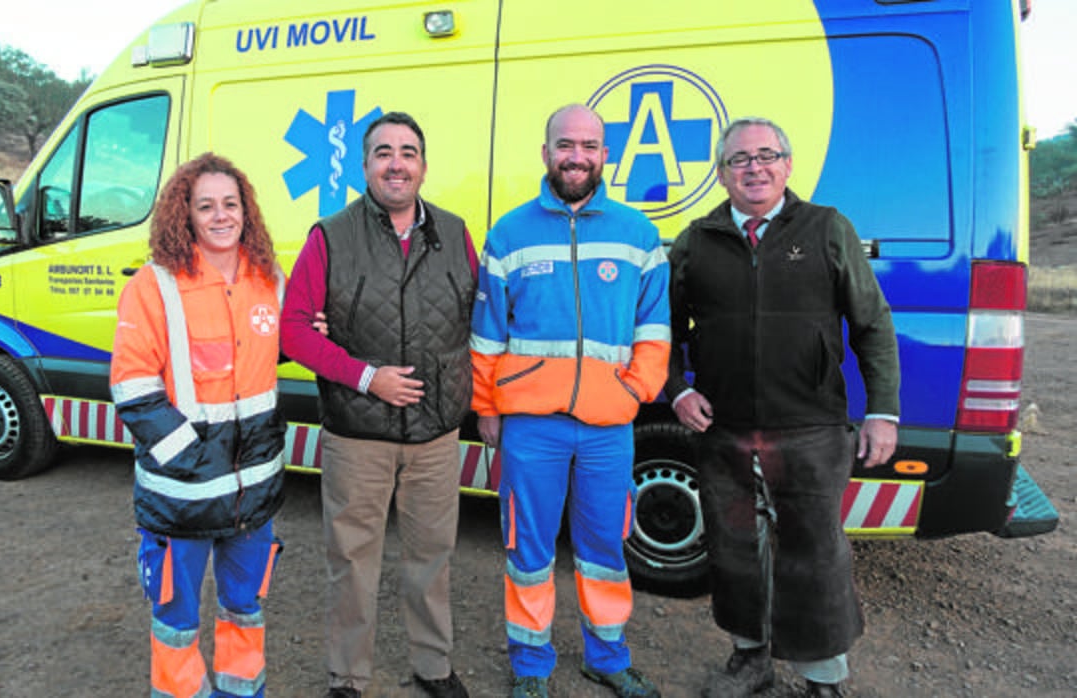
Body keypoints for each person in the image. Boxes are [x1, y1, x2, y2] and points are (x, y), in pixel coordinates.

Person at [665, 117, 900, 698]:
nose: (754, 167)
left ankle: (824, 678)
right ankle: (750, 659)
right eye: (740, 159)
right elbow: (661, 331)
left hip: (811, 427)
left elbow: (872, 324)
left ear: (787, 166)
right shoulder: (696, 241)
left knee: (816, 554)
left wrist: (883, 410)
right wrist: (677, 389)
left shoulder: (826, 229)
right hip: (726, 430)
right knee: (735, 551)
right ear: (721, 173)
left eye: (767, 155)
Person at [469, 104, 671, 698]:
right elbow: (487, 334)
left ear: (605, 154)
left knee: (605, 547)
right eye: (565, 144)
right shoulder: (509, 232)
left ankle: (607, 657)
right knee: (526, 550)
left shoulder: (638, 234)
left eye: (588, 145)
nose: (576, 155)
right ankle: (531, 668)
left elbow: (654, 331)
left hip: (610, 426)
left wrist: (635, 390)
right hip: (531, 425)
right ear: (546, 152)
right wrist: (486, 407)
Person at [280, 111, 477, 698]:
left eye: (408, 152)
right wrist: (367, 378)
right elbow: (293, 331)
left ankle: (434, 667)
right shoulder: (330, 236)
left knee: (433, 558)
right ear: (364, 165)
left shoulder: (455, 231)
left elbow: (481, 316)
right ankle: (347, 677)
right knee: (352, 562)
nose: (397, 163)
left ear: (423, 164)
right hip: (356, 436)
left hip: (436, 436)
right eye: (384, 152)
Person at [110, 152, 287, 698]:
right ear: (183, 213)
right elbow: (132, 385)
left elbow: (272, 358)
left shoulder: (268, 279)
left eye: (230, 204)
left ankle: (242, 692)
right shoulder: (154, 285)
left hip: (252, 495)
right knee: (176, 623)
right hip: (180, 495)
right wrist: (192, 457)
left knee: (244, 611)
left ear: (246, 211)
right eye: (205, 205)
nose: (219, 216)